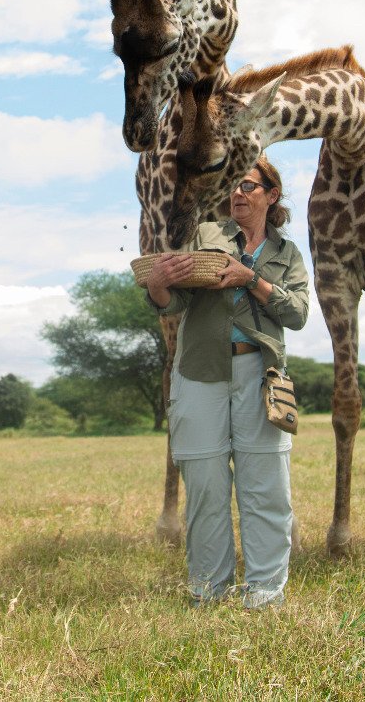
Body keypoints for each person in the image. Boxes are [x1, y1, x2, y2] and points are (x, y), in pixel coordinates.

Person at [146, 154, 310, 609]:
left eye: (249, 186)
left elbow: (297, 313)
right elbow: (171, 301)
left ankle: (264, 594)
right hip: (201, 370)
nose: (238, 192)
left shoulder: (287, 254)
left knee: (266, 486)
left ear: (271, 195)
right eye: (234, 186)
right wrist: (158, 283)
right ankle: (208, 591)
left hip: (262, 376)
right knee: (205, 484)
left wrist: (249, 277)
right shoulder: (206, 235)